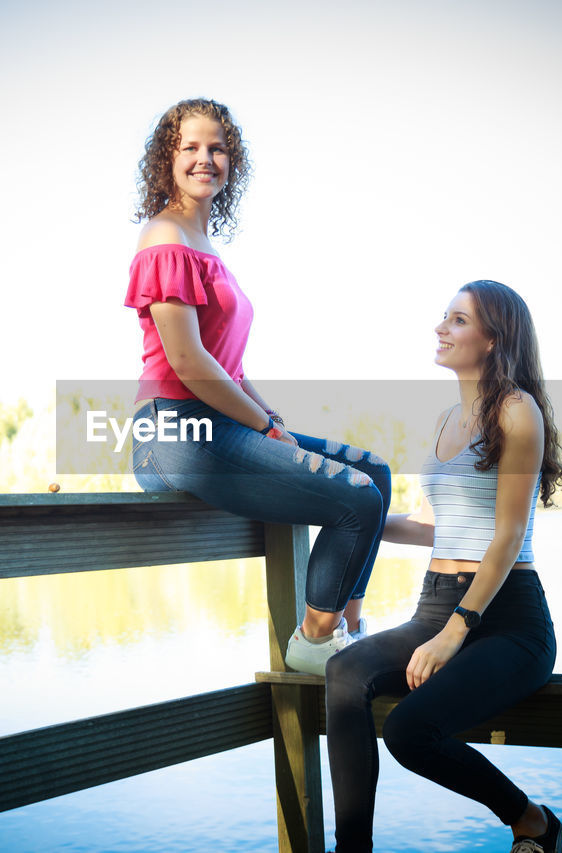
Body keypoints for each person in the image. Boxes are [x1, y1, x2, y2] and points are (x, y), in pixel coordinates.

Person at [124, 97, 391, 675]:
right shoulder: (163, 236)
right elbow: (190, 364)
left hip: (216, 425)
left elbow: (229, 366)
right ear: (166, 160)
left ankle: (346, 630)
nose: (205, 158)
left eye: (216, 148)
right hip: (174, 432)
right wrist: (266, 428)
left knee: (374, 475)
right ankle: (314, 645)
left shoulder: (207, 249)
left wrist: (274, 418)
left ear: (231, 161)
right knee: (355, 496)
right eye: (190, 147)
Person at [324, 280, 562, 853]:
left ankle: (531, 820)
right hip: (435, 604)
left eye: (458, 320)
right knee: (343, 675)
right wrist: (356, 514)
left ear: (492, 340)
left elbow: (507, 538)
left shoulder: (517, 411)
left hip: (505, 620)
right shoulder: (443, 420)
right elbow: (437, 528)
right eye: (445, 317)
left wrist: (455, 632)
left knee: (409, 731)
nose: (441, 328)